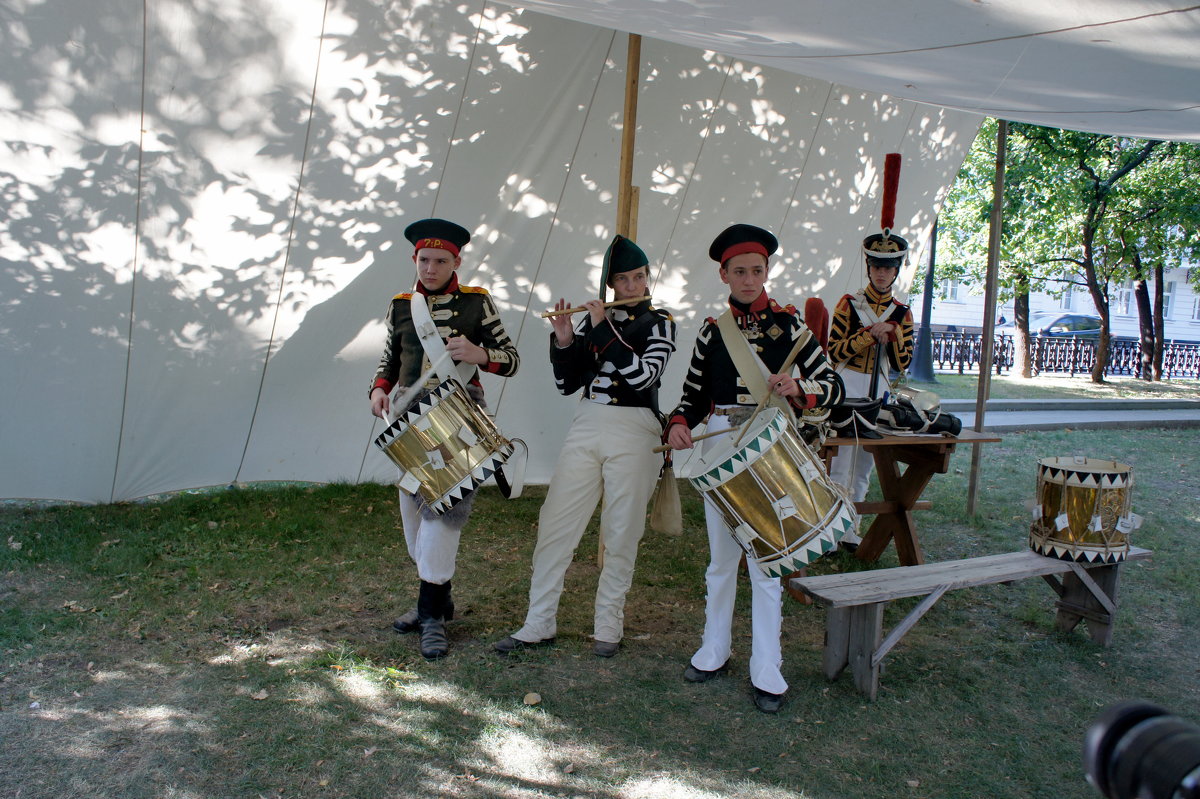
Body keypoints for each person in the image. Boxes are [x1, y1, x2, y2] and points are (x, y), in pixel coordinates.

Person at [664, 223, 844, 714]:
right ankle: (713, 650)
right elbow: (693, 395)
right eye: (739, 271)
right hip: (722, 445)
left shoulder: (791, 328)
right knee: (721, 560)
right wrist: (679, 422)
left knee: (766, 563)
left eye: (756, 271)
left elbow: (833, 387)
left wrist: (800, 391)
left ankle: (767, 667)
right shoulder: (711, 332)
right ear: (724, 274)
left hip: (772, 449)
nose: (748, 279)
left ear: (768, 272)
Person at [495, 235, 677, 658]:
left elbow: (644, 378)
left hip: (636, 427)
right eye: (624, 279)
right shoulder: (592, 320)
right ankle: (538, 621)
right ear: (611, 284)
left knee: (621, 530)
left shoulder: (660, 321)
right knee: (556, 522)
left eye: (640, 277)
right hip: (587, 422)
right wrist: (564, 339)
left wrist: (601, 330)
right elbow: (566, 384)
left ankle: (608, 625)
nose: (634, 286)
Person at [369, 218, 520, 660]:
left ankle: (430, 614)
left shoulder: (477, 303)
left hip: (459, 419)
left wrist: (479, 354)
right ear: (414, 260)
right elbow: (390, 356)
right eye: (424, 260)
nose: (430, 268)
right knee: (413, 516)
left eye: (440, 261)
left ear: (457, 261)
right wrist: (379, 388)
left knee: (443, 516)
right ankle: (438, 597)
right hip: (410, 418)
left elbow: (511, 360)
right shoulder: (401, 305)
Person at [826, 230, 915, 530]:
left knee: (864, 462)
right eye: (877, 267)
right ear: (869, 268)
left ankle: (852, 528)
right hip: (848, 382)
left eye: (888, 268)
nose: (881, 273)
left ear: (896, 271)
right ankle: (832, 527)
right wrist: (866, 336)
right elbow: (835, 350)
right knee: (840, 460)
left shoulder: (903, 312)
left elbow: (904, 364)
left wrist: (894, 334)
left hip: (878, 386)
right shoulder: (849, 304)